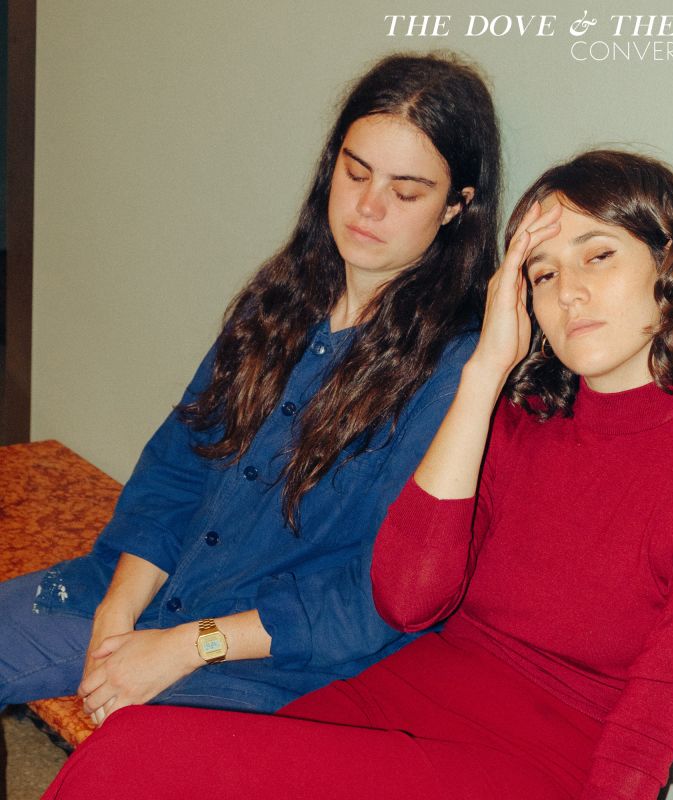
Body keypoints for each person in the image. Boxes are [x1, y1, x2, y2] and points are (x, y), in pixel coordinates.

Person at [41, 150, 673, 800]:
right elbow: (408, 598)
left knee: (140, 757)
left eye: (598, 256)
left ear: (669, 264)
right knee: (147, 755)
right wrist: (485, 372)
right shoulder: (515, 423)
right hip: (392, 704)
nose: (568, 291)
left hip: (538, 762)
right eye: (541, 273)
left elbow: (661, 711)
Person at [0, 52, 502, 723]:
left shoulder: (454, 374)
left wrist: (187, 645)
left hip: (271, 659)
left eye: (406, 192)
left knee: (128, 761)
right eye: (356, 172)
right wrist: (115, 618)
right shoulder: (283, 297)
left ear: (456, 207)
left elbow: (375, 597)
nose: (368, 206)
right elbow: (177, 470)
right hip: (156, 590)